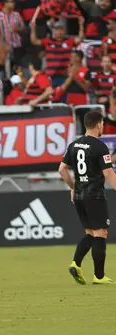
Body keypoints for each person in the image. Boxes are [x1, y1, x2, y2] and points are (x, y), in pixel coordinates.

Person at [59, 111, 116, 285]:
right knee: (101, 233)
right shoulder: (100, 147)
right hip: (94, 194)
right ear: (99, 124)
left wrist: (73, 187)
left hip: (79, 195)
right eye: (102, 124)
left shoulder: (74, 145)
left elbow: (62, 169)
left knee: (90, 234)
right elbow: (108, 173)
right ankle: (99, 277)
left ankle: (76, 263)